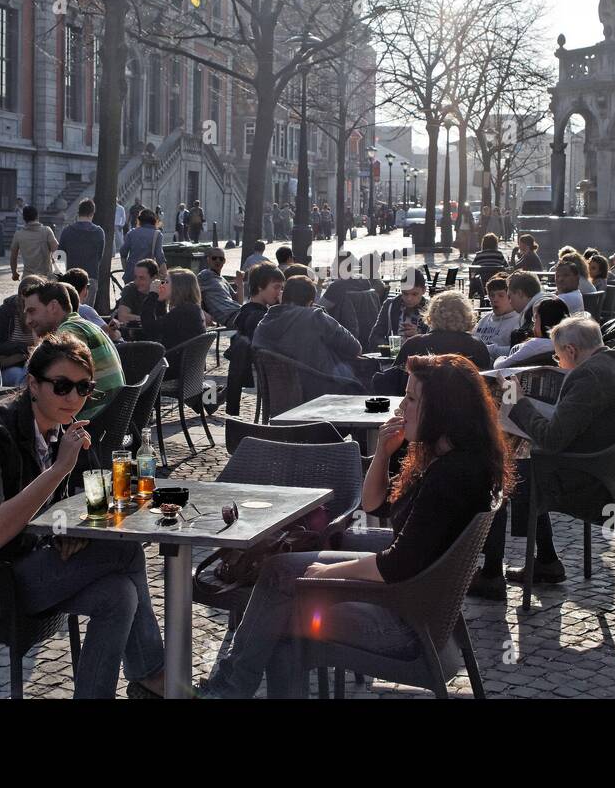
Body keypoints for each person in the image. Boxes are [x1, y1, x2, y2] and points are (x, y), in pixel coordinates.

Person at [199, 353, 512, 698]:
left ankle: (226, 689)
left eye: (411, 399)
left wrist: (325, 574)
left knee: (284, 609)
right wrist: (383, 452)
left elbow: (396, 564)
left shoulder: (451, 476)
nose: (401, 406)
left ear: (442, 408)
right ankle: (227, 686)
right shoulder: (454, 457)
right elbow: (374, 504)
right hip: (422, 604)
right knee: (283, 568)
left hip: (403, 622)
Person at [0, 333, 166, 699]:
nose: (73, 397)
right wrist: (57, 470)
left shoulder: (62, 429)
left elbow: (81, 504)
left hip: (25, 561)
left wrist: (75, 531)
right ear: (32, 385)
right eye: (61, 386)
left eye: (83, 387)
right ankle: (153, 675)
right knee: (125, 551)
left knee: (119, 595)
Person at [472, 315, 615, 598]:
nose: (558, 364)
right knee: (522, 462)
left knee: (505, 473)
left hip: (601, 486)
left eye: (558, 358)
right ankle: (545, 560)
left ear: (571, 351)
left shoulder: (588, 376)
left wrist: (519, 402)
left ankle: (492, 571)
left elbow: (551, 439)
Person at [23, 281, 124, 422]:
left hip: (92, 423)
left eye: (32, 311)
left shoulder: (69, 333)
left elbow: (44, 381)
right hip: (111, 418)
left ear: (53, 306)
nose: (28, 320)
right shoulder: (84, 325)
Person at [253, 275, 364, 390]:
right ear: (310, 302)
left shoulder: (264, 323)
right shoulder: (315, 316)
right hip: (321, 389)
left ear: (283, 297)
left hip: (279, 394)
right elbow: (356, 348)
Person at [374, 291, 491, 394]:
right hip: (465, 412)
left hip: (420, 411)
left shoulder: (414, 344)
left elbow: (393, 381)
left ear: (431, 315)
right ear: (467, 315)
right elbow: (486, 387)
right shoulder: (477, 346)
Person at [0, 274, 44, 386]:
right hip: (10, 366)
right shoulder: (5, 312)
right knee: (22, 376)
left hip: (34, 365)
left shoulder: (44, 314)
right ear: (21, 296)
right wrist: (21, 348)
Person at [129, 267, 206, 350]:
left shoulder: (184, 311)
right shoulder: (191, 308)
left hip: (174, 359)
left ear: (178, 287)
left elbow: (150, 328)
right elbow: (161, 325)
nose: (162, 284)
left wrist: (152, 295)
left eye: (166, 282)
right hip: (183, 357)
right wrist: (160, 300)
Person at [492, 297, 569, 368]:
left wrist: (501, 358)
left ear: (544, 321)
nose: (534, 323)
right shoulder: (570, 345)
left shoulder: (535, 345)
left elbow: (499, 366)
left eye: (535, 318)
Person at [58, 199, 106, 305]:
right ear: (92, 213)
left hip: (70, 276)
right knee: (87, 313)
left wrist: (59, 278)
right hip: (91, 276)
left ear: (78, 212)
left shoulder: (67, 231)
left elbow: (59, 256)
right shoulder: (99, 232)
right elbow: (99, 256)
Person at [368, 269, 430, 349]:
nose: (409, 298)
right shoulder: (390, 305)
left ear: (424, 290)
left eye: (414, 294)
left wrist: (418, 336)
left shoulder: (432, 309)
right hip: (393, 357)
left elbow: (437, 342)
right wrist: (391, 346)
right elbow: (374, 337)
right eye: (405, 293)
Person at [231, 263, 285, 340]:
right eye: (276, 287)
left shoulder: (246, 310)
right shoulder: (258, 317)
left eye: (281, 288)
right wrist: (282, 309)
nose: (280, 292)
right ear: (260, 286)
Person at [60, 268, 119, 338]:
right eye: (88, 286)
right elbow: (111, 335)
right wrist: (114, 330)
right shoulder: (86, 311)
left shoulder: (58, 310)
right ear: (84, 290)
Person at [474, 276, 522, 357]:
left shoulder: (519, 321)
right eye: (492, 295)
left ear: (510, 297)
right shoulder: (484, 320)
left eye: (501, 295)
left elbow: (518, 351)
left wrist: (490, 349)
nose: (495, 299)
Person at [10, 204, 59, 280]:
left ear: (24, 218)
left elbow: (13, 256)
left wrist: (14, 273)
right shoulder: (46, 231)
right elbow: (56, 250)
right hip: (46, 278)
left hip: (28, 278)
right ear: (37, 216)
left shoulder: (18, 234)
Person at [197, 248, 243, 326]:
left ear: (224, 261)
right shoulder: (204, 275)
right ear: (208, 260)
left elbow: (239, 301)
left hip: (238, 311)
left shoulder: (222, 279)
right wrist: (203, 313)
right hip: (229, 316)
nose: (218, 261)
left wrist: (240, 283)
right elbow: (191, 293)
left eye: (221, 259)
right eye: (214, 258)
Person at [114, 259, 164, 327]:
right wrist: (150, 321)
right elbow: (123, 317)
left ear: (154, 278)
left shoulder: (164, 290)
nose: (137, 281)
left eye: (141, 278)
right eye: (135, 277)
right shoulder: (130, 289)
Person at [119, 210, 166, 279]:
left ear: (139, 221)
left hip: (131, 275)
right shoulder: (157, 234)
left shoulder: (131, 233)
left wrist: (126, 270)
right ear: (155, 221)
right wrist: (165, 277)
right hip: (147, 276)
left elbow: (123, 252)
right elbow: (159, 257)